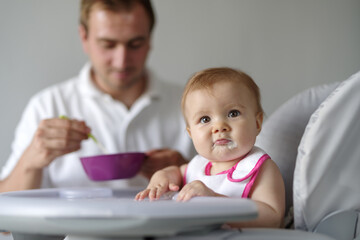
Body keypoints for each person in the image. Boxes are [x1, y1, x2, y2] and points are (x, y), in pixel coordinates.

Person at [0, 0, 195, 192]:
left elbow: (223, 195)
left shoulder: (190, 104)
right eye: (108, 45)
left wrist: (189, 171)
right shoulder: (48, 106)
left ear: (150, 39)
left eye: (135, 44)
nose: (121, 61)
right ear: (84, 37)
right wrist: (29, 163)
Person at [136, 67, 285, 228]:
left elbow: (272, 217)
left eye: (233, 113)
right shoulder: (197, 167)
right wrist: (162, 177)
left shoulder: (259, 168)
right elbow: (177, 172)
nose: (219, 127)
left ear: (257, 123)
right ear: (191, 133)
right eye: (205, 119)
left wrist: (213, 200)